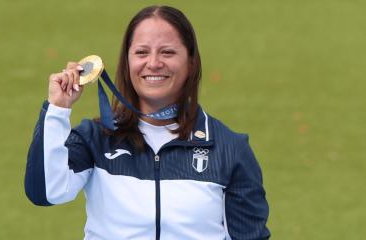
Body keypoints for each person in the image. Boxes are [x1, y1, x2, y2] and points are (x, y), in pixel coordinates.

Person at [25, 5, 270, 240]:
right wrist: (58, 109)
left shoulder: (229, 149)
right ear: (127, 61)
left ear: (191, 62)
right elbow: (46, 192)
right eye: (142, 52)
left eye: (167, 52)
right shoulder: (96, 138)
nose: (153, 63)